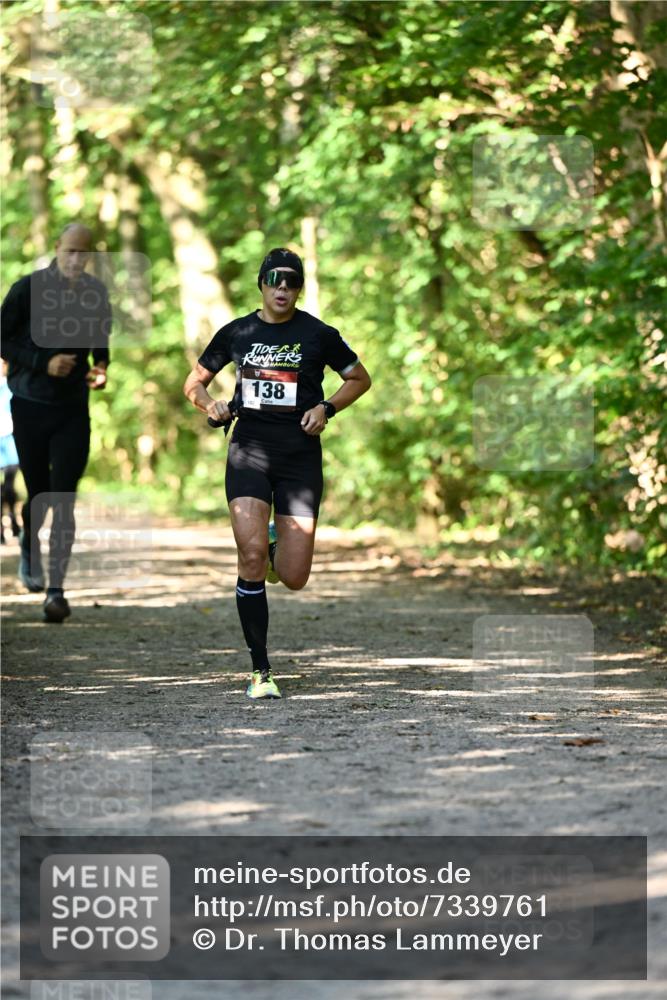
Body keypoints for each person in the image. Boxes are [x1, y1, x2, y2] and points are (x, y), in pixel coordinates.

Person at [183, 247, 371, 700]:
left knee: (294, 575)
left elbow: (359, 379)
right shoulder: (237, 332)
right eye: (275, 280)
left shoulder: (319, 334)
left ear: (299, 288)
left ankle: (274, 547)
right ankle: (260, 671)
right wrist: (211, 406)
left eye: (292, 281)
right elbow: (194, 383)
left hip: (299, 458)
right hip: (248, 451)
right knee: (249, 557)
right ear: (262, 284)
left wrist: (326, 408)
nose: (283, 288)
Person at [0, 222, 111, 622]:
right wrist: (42, 361)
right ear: (56, 247)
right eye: (71, 251)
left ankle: (56, 591)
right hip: (29, 406)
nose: (77, 260)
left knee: (63, 496)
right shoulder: (27, 289)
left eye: (84, 253)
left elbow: (101, 339)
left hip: (72, 409)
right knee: (39, 496)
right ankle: (30, 544)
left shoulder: (95, 294)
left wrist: (101, 367)